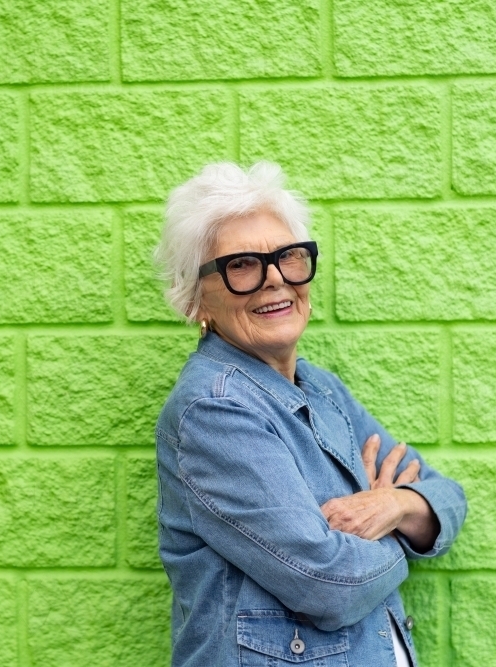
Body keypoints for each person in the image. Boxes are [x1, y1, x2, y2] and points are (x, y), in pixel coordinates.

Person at [153, 162, 467, 667]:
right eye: (241, 266)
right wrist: (398, 537)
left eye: (289, 257)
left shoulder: (323, 389)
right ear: (195, 299)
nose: (274, 279)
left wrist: (396, 506)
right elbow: (328, 585)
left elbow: (447, 498)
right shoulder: (213, 410)